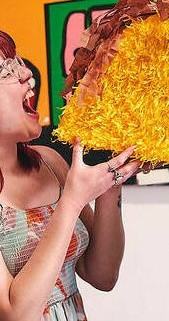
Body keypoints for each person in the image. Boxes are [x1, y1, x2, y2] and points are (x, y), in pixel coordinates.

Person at [0, 30, 142, 320]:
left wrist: (109, 187)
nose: (27, 73)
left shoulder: (50, 162)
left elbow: (102, 275)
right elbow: (15, 314)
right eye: (6, 71)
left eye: (19, 62)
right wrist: (72, 202)